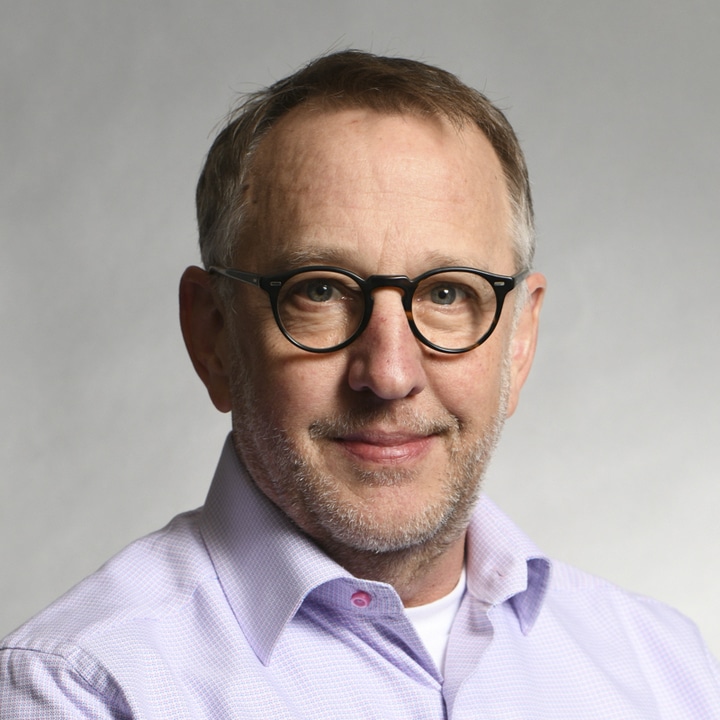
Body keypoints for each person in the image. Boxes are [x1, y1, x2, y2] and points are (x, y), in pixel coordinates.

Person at [1, 50, 718, 719]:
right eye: (319, 291)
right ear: (213, 335)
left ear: (519, 343)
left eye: (446, 294)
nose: (389, 374)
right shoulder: (84, 688)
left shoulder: (664, 670)